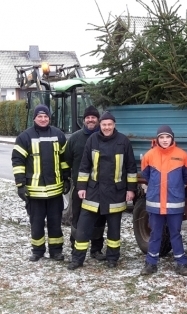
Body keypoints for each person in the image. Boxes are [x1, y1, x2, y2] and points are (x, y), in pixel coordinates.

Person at [68, 111, 137, 270]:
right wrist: (81, 187)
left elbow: (131, 168)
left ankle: (112, 258)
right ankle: (77, 259)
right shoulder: (92, 140)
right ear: (100, 125)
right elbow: (85, 165)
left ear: (114, 125)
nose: (106, 127)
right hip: (93, 192)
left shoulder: (123, 141)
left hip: (116, 193)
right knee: (83, 227)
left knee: (114, 230)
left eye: (109, 125)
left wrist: (131, 189)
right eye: (104, 124)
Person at [11, 104, 70, 261]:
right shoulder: (24, 137)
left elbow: (64, 160)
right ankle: (37, 251)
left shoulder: (58, 135)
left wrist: (66, 178)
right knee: (36, 224)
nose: (43, 119)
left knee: (55, 223)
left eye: (46, 116)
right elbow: (18, 162)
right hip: (34, 191)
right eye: (40, 116)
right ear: (34, 118)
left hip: (55, 191)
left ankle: (56, 251)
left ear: (49, 118)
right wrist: (20, 185)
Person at [140, 125, 187, 276]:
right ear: (157, 139)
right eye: (161, 137)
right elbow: (147, 175)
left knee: (175, 233)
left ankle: (181, 264)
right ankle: (151, 263)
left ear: (172, 138)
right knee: (155, 233)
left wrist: (175, 189)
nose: (164, 140)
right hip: (155, 203)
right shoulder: (149, 155)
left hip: (174, 203)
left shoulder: (182, 155)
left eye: (167, 137)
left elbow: (186, 176)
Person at [64, 105, 106, 261]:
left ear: (98, 120)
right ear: (84, 120)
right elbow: (65, 160)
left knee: (99, 219)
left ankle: (96, 249)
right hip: (80, 187)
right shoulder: (75, 139)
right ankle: (75, 246)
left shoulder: (105, 137)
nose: (90, 120)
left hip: (100, 188)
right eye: (88, 117)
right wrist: (66, 178)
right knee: (77, 218)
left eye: (93, 117)